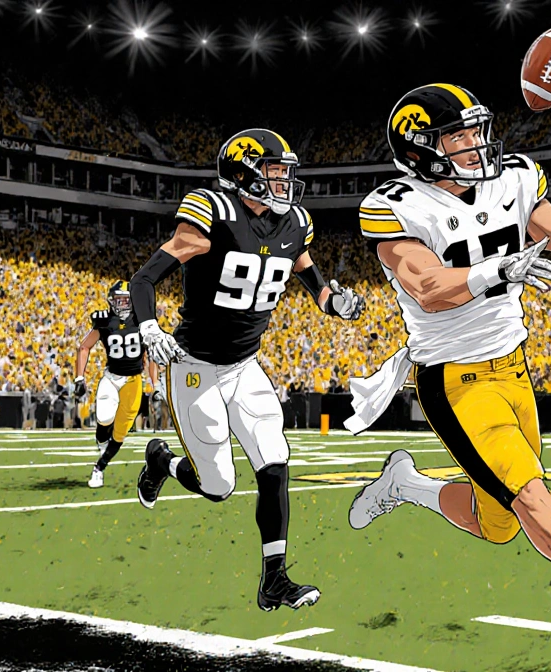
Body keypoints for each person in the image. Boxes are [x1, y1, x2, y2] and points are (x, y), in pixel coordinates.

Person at [345, 84, 551, 640]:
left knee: (498, 524)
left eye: (476, 130)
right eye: (457, 135)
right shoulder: (396, 205)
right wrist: (499, 270)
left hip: (513, 368)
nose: (475, 144)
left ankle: (405, 484)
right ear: (421, 149)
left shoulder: (513, 177)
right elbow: (427, 287)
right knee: (529, 494)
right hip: (456, 380)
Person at [129, 129, 366, 612]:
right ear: (243, 173)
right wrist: (149, 326)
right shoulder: (212, 212)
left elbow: (308, 275)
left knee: (274, 460)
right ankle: (162, 461)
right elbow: (144, 277)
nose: (284, 181)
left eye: (285, 172)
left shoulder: (294, 222)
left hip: (245, 365)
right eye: (274, 171)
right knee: (218, 486)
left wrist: (334, 302)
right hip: (195, 365)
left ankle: (274, 580)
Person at [72, 281, 160, 488]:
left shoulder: (142, 321)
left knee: (120, 432)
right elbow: (84, 347)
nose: (121, 303)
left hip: (133, 381)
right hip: (111, 377)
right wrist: (79, 378)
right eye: (118, 298)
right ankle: (102, 444)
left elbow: (151, 354)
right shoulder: (104, 321)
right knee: (103, 418)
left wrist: (155, 383)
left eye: (125, 299)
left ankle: (99, 468)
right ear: (111, 299)